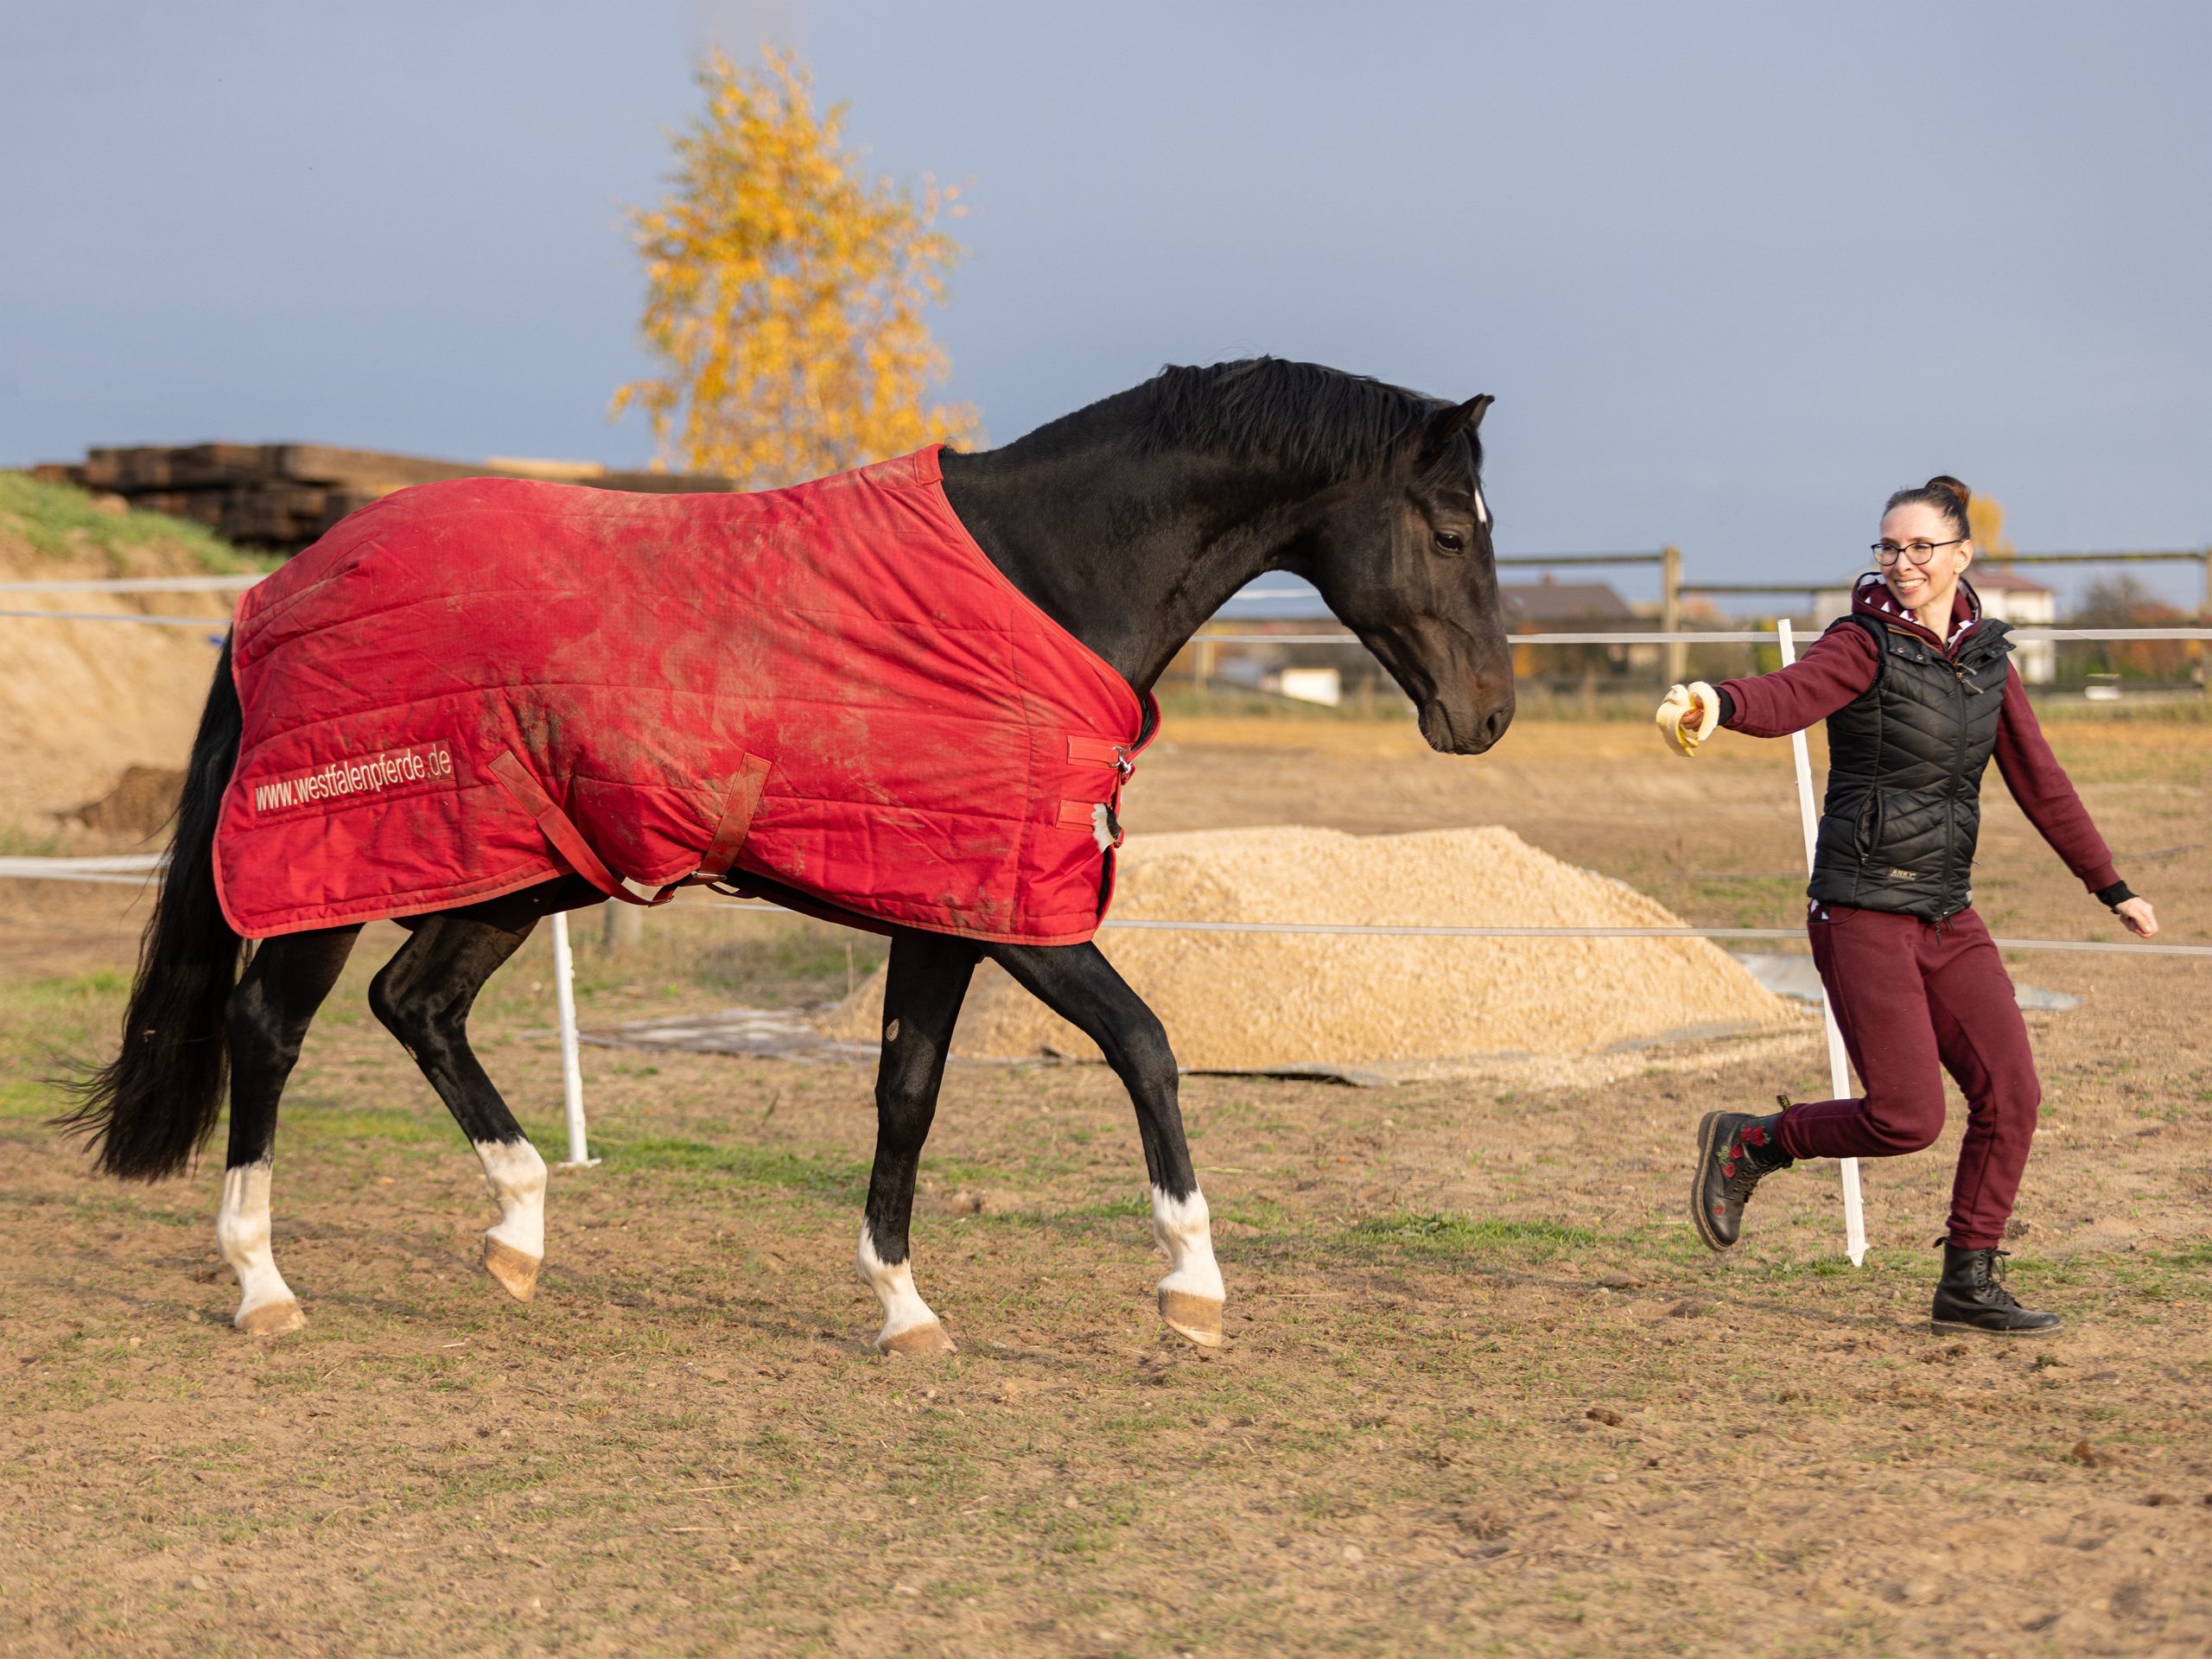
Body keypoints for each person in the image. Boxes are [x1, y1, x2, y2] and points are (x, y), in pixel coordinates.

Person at [1654, 475, 2158, 1336]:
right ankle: (1752, 1143)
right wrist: (1719, 701)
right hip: (1858, 908)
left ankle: (1968, 1279)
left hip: (1946, 913)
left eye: (1921, 546)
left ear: (1962, 555)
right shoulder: (1862, 642)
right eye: (1888, 546)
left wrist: (2109, 884)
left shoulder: (1988, 657)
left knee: (2012, 1093)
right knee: (1905, 1118)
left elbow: (2042, 782)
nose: (1901, 561)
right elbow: (1792, 695)